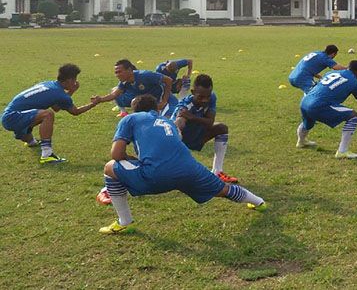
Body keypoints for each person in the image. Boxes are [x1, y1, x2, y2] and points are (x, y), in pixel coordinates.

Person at [98, 94, 267, 235]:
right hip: (190, 169)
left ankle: (125, 222)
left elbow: (116, 154)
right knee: (223, 189)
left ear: (134, 110)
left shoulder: (130, 119)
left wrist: (134, 159)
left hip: (157, 174)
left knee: (109, 167)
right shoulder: (167, 122)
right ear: (156, 109)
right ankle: (259, 202)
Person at [2, 64, 102, 164]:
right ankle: (47, 154)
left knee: (39, 119)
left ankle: (30, 141)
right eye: (74, 79)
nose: (75, 82)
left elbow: (56, 107)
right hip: (13, 118)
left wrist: (71, 91)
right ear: (69, 80)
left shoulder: (49, 84)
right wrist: (93, 104)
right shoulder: (59, 94)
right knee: (47, 114)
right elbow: (75, 112)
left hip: (10, 116)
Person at [297, 61, 357, 158]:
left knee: (308, 123)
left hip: (305, 101)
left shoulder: (331, 73)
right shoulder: (354, 81)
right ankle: (342, 151)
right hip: (319, 105)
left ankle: (301, 142)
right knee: (353, 116)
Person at [93, 60, 173, 119]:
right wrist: (100, 99)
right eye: (116, 72)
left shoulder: (145, 75)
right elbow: (114, 94)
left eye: (120, 72)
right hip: (151, 104)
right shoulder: (124, 81)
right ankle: (123, 112)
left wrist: (164, 101)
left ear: (129, 70)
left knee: (169, 121)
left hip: (166, 101)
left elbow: (168, 80)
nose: (117, 75)